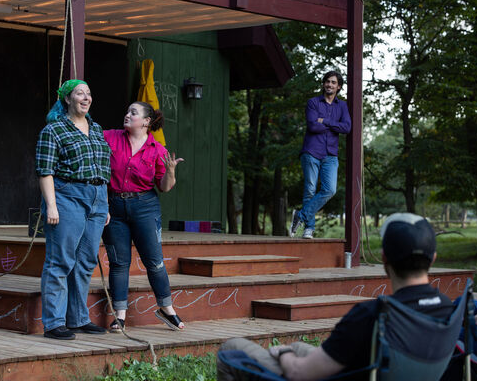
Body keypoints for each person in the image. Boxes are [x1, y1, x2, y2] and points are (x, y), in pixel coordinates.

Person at [218, 213, 454, 381]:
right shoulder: (450, 311)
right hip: (371, 368)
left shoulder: (371, 316)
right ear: (433, 259)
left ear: (384, 259)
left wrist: (284, 354)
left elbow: (298, 373)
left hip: (317, 373)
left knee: (231, 348)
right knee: (298, 346)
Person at [35, 79, 111, 340]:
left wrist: (104, 203)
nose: (86, 97)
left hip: (97, 198)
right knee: (60, 260)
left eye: (88, 93)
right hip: (68, 197)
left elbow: (102, 168)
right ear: (67, 99)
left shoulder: (96, 128)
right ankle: (54, 323)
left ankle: (77, 318)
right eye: (80, 93)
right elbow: (45, 170)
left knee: (86, 260)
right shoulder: (54, 129)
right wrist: (51, 206)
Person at [102, 101, 185, 332]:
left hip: (145, 207)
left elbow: (164, 187)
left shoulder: (157, 150)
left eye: (133, 112)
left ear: (147, 121)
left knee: (154, 262)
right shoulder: (110, 137)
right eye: (127, 111)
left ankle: (166, 309)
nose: (127, 115)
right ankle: (119, 316)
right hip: (114, 206)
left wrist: (170, 171)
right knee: (119, 263)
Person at [289, 71, 351, 239]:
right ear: (323, 84)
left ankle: (300, 216)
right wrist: (334, 125)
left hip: (330, 154)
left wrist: (325, 121)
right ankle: (309, 229)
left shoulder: (342, 106)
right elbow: (313, 126)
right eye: (327, 81)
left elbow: (346, 127)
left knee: (330, 189)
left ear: (339, 87)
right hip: (311, 151)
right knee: (310, 190)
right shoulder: (313, 102)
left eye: (333, 82)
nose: (330, 84)